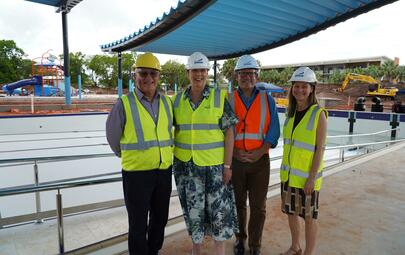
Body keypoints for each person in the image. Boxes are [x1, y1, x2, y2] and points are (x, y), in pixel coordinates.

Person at [106, 52, 173, 255]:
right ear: (135, 75)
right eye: (143, 73)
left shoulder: (167, 103)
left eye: (153, 73)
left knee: (160, 219)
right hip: (136, 175)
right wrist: (131, 156)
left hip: (163, 172)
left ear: (159, 76)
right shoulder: (124, 104)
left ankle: (153, 251)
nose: (148, 78)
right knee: (137, 224)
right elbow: (113, 138)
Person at [172, 52, 238, 255]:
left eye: (202, 70)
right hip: (187, 170)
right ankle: (197, 251)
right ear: (188, 72)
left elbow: (229, 133)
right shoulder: (176, 101)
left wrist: (227, 166)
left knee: (219, 215)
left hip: (215, 169)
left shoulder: (219, 97)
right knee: (194, 215)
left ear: (207, 72)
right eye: (195, 70)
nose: (198, 74)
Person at [229, 55, 280, 255]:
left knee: (258, 207)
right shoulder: (230, 100)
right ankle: (240, 240)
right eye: (242, 73)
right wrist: (234, 151)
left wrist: (260, 151)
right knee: (238, 204)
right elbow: (223, 130)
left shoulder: (268, 101)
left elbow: (274, 130)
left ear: (256, 76)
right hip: (236, 160)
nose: (246, 77)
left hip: (260, 161)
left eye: (250, 73)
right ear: (237, 76)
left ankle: (255, 245)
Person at [280, 67, 327, 255]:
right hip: (289, 176)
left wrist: (312, 178)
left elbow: (320, 149)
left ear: (312, 88)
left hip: (308, 178)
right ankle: (295, 247)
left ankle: (308, 252)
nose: (299, 90)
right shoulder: (290, 114)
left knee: (309, 217)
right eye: (296, 86)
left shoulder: (318, 114)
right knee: (291, 214)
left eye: (304, 86)